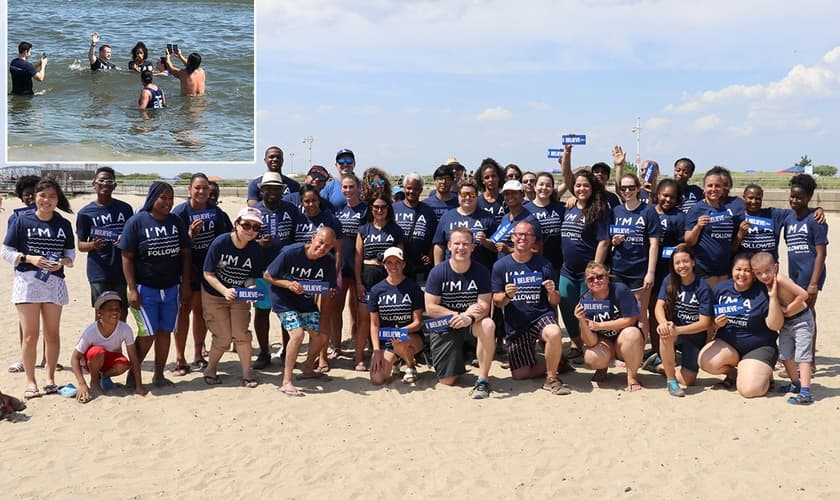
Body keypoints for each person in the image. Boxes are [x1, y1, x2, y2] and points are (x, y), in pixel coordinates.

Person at [1, 177, 75, 400]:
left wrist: (61, 262)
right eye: (43, 195)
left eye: (52, 196)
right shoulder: (21, 221)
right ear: (35, 198)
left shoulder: (63, 224)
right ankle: (30, 381)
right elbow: (6, 251)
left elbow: (70, 255)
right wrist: (29, 258)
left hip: (54, 284)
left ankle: (50, 378)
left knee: (52, 334)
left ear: (57, 199)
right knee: (30, 336)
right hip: (27, 283)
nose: (47, 200)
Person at [119, 182, 192, 388]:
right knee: (148, 333)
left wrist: (185, 283)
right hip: (144, 288)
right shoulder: (137, 222)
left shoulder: (176, 221)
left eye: (170, 198)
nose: (167, 202)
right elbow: (126, 257)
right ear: (152, 198)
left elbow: (186, 254)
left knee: (164, 331)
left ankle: (159, 375)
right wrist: (132, 288)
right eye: (163, 198)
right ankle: (134, 373)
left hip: (171, 288)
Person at [491, 221, 570, 395]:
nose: (522, 238)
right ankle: (556, 362)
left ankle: (551, 377)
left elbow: (555, 301)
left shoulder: (544, 264)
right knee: (521, 374)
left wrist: (551, 291)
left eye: (527, 235)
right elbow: (497, 300)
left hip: (541, 315)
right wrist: (507, 296)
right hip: (517, 324)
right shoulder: (501, 266)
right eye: (519, 234)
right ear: (512, 237)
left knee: (554, 332)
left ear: (534, 239)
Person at [264, 227, 338, 397]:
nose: (322, 248)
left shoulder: (328, 261)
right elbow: (268, 275)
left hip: (306, 302)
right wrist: (289, 284)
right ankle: (286, 381)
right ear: (313, 238)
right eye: (320, 243)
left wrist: (330, 291)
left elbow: (330, 287)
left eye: (327, 246)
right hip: (284, 300)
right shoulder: (292, 252)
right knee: (297, 335)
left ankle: (307, 369)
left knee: (321, 336)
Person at [698, 253, 783, 398]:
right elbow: (710, 320)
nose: (742, 274)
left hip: (759, 346)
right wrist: (716, 324)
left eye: (747, 270)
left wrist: (773, 297)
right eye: (738, 269)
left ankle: (763, 373)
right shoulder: (722, 288)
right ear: (732, 270)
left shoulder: (763, 291)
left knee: (749, 391)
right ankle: (735, 373)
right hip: (730, 344)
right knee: (706, 361)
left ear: (754, 274)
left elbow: (775, 326)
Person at [171, 173, 232, 375]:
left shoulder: (216, 212)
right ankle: (180, 357)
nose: (201, 191)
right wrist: (190, 236)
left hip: (208, 270)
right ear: (189, 190)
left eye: (205, 188)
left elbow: (223, 241)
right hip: (185, 268)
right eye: (197, 188)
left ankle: (198, 353)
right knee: (183, 311)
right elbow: (173, 245)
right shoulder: (180, 212)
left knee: (200, 312)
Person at [424, 228, 495, 399]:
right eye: (456, 243)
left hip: (472, 322)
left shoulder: (481, 271)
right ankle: (462, 355)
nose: (461, 248)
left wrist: (468, 317)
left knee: (488, 324)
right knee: (447, 380)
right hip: (447, 323)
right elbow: (431, 308)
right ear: (449, 246)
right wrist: (458, 314)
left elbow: (484, 305)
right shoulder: (438, 272)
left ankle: (483, 380)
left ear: (472, 247)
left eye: (465, 244)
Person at [201, 207, 265, 388]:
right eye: (246, 225)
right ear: (236, 224)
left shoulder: (255, 249)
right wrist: (224, 290)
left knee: (242, 335)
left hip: (240, 296)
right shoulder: (220, 243)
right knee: (223, 337)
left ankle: (247, 372)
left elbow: (252, 275)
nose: (251, 231)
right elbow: (208, 274)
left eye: (256, 227)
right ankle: (210, 369)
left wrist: (250, 286)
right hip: (215, 294)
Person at [557, 168, 610, 358]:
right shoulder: (569, 207)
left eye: (585, 185)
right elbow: (567, 175)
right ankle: (575, 343)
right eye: (578, 185)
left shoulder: (599, 209)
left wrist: (595, 271)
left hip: (587, 273)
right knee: (566, 304)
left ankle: (591, 345)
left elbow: (604, 241)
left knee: (586, 310)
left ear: (592, 187)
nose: (581, 189)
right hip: (567, 270)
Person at [750, 252, 813, 404]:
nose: (764, 276)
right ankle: (796, 384)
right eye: (759, 273)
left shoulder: (780, 279)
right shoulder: (764, 285)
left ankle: (806, 391)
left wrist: (788, 308)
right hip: (786, 324)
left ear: (775, 267)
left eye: (767, 271)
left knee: (802, 355)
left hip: (801, 320)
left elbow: (804, 295)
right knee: (785, 354)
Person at [251, 172, 298, 370]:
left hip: (286, 272)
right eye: (268, 188)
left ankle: (287, 350)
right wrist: (257, 243)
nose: (272, 192)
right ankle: (264, 352)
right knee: (262, 312)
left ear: (282, 190)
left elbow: (299, 235)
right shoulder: (254, 212)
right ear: (262, 190)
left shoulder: (291, 209)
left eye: (276, 188)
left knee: (286, 314)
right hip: (262, 271)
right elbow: (242, 239)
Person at [353, 195, 406, 370]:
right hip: (368, 276)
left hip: (388, 278)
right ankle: (359, 357)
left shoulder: (395, 230)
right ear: (371, 209)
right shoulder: (363, 229)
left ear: (388, 209)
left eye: (383, 207)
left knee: (385, 319)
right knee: (364, 320)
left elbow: (399, 258)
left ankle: (388, 354)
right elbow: (358, 258)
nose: (379, 210)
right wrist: (359, 282)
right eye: (376, 207)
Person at [574, 261, 644, 391]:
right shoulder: (585, 300)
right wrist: (582, 321)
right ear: (587, 283)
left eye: (600, 277)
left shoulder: (620, 290)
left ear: (607, 277)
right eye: (591, 279)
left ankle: (632, 376)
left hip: (623, 340)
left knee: (632, 334)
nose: (596, 281)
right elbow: (590, 342)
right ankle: (602, 368)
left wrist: (600, 325)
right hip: (604, 342)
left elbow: (630, 319)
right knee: (591, 356)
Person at [75, 167, 134, 321]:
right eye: (101, 181)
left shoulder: (125, 209)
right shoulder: (85, 213)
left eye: (109, 181)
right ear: (94, 184)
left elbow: (133, 237)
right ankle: (100, 346)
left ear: (115, 185)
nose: (105, 184)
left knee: (122, 311)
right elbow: (81, 245)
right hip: (98, 271)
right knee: (101, 312)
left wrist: (125, 239)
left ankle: (116, 344)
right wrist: (93, 245)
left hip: (122, 268)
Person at [654, 245, 713, 397]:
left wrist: (678, 330)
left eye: (685, 261)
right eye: (677, 263)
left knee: (688, 381)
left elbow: (705, 322)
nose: (681, 266)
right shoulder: (669, 280)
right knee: (665, 333)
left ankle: (660, 366)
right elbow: (658, 306)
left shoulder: (703, 287)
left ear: (693, 262)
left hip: (693, 334)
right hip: (674, 330)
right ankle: (671, 380)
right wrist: (663, 323)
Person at [70, 291, 146, 404]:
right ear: (99, 312)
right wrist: (82, 384)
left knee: (124, 364)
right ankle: (95, 383)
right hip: (91, 361)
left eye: (117, 309)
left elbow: (133, 357)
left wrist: (139, 385)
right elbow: (74, 358)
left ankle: (104, 377)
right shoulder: (91, 331)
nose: (114, 312)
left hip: (109, 362)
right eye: (110, 309)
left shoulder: (125, 329)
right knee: (97, 351)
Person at [6, 175, 49, 374]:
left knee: (49, 320)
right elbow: (10, 248)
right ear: (21, 198)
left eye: (34, 194)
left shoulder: (50, 214)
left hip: (50, 273)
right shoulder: (15, 218)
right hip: (25, 274)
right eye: (26, 196)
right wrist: (26, 259)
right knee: (26, 323)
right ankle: (25, 359)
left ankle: (48, 359)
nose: (30, 199)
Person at [609, 173, 660, 340]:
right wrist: (614, 242)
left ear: (638, 188)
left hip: (640, 270)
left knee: (639, 314)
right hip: (618, 270)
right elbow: (610, 240)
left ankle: (639, 352)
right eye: (623, 188)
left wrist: (651, 272)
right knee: (621, 313)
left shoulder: (648, 211)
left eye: (631, 187)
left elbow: (654, 244)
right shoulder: (616, 211)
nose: (627, 191)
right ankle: (623, 350)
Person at [783, 173, 827, 366]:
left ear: (808, 198)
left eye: (799, 197)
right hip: (795, 274)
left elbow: (821, 254)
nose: (794, 200)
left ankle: (810, 361)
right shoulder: (788, 219)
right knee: (798, 315)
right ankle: (796, 358)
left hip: (811, 275)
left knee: (806, 316)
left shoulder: (815, 220)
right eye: (792, 196)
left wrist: (814, 283)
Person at [367, 247, 425, 385]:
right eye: (389, 262)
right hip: (387, 340)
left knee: (401, 340)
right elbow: (374, 324)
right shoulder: (376, 290)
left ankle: (411, 366)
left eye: (397, 262)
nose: (394, 266)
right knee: (377, 378)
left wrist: (402, 331)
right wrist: (376, 351)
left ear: (403, 264)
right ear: (384, 265)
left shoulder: (413, 288)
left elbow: (418, 322)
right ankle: (397, 359)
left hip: (410, 337)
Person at [326, 173, 368, 363]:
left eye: (352, 187)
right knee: (336, 309)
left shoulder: (366, 210)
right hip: (341, 266)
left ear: (358, 188)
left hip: (361, 267)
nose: (348, 190)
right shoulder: (337, 210)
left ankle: (360, 345)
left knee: (361, 311)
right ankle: (337, 346)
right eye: (345, 187)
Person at [648, 179, 685, 357]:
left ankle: (667, 351)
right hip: (649, 269)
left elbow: (682, 244)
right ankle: (655, 351)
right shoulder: (649, 211)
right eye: (664, 195)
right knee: (652, 311)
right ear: (658, 195)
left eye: (672, 197)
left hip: (669, 271)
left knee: (667, 311)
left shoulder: (679, 217)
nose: (668, 200)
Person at [684, 168, 737, 290]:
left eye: (717, 186)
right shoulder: (697, 209)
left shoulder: (725, 210)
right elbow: (688, 240)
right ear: (704, 188)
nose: (714, 189)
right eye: (710, 186)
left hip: (724, 268)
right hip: (705, 269)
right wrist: (698, 227)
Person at [433, 178, 497, 271]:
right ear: (458, 196)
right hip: (452, 271)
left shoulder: (488, 218)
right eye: (464, 194)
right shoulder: (447, 217)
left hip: (479, 272)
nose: (467, 198)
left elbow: (497, 248)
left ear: (476, 196)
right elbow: (439, 245)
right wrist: (437, 269)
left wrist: (486, 242)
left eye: (471, 194)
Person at [393, 172, 438, 285]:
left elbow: (435, 238)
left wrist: (430, 255)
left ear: (421, 190)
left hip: (420, 265)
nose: (411, 191)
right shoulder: (393, 209)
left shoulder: (428, 211)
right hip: (398, 264)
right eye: (409, 188)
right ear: (404, 188)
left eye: (415, 189)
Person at [526, 172, 566, 289]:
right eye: (541, 184)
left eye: (548, 185)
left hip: (557, 263)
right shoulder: (525, 209)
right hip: (533, 263)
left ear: (552, 188)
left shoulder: (561, 208)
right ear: (534, 186)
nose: (544, 188)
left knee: (555, 297)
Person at [494, 180, 542, 258]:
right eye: (507, 194)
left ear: (522, 195)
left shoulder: (531, 220)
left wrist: (510, 250)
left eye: (514, 193)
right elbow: (496, 243)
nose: (510, 196)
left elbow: (538, 251)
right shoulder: (505, 218)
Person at [475, 158, 506, 224]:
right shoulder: (476, 202)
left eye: (494, 176)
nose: (491, 180)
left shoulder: (506, 200)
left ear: (499, 177)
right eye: (487, 177)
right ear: (482, 180)